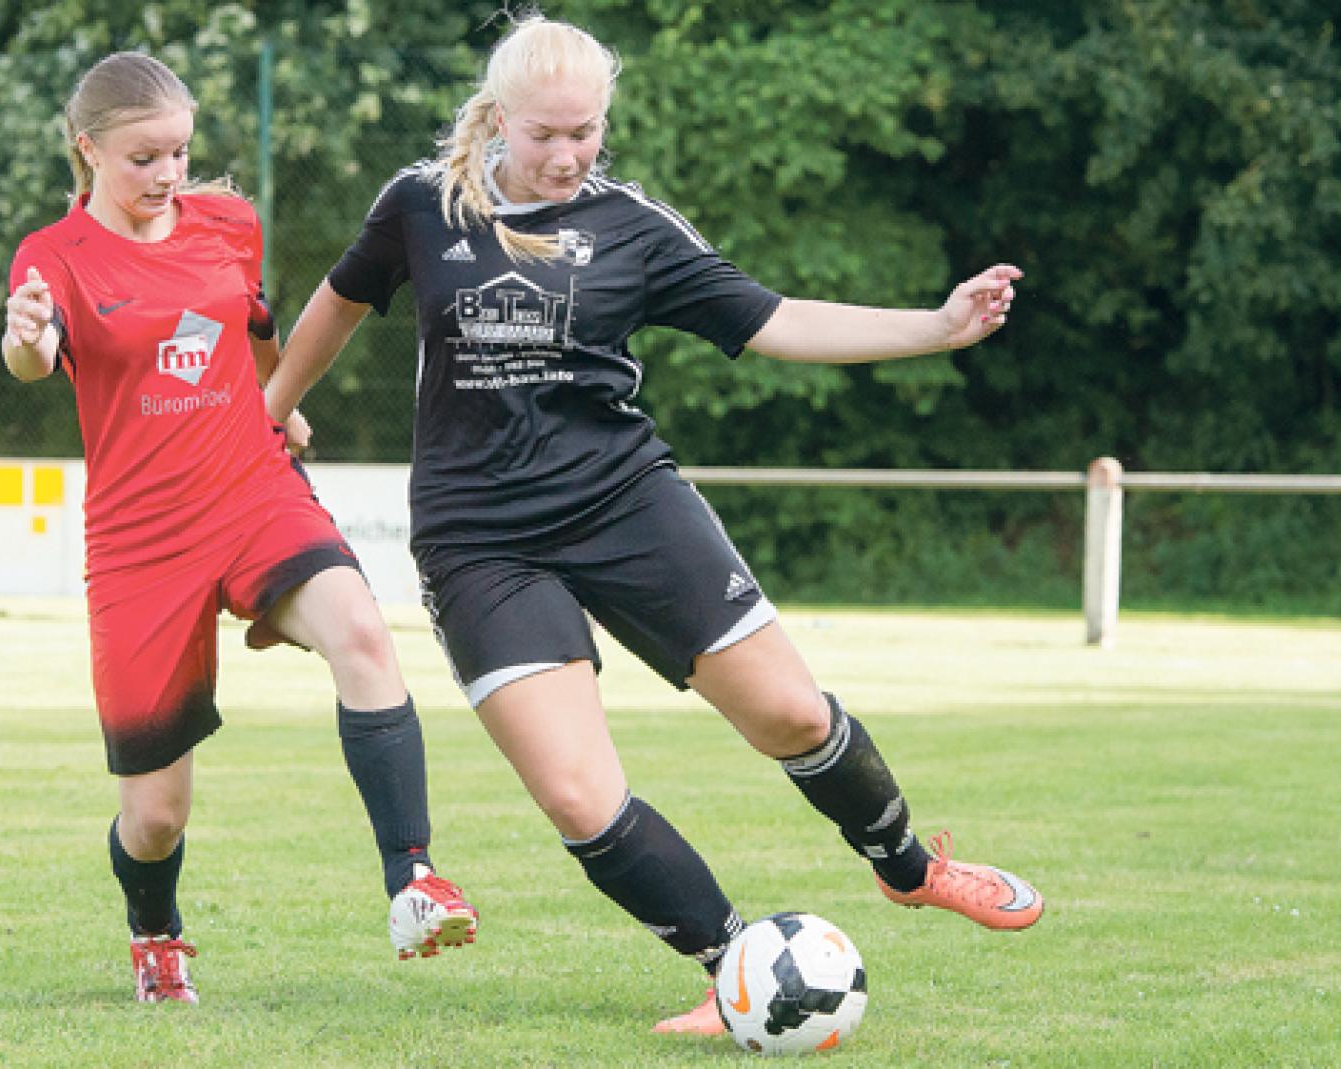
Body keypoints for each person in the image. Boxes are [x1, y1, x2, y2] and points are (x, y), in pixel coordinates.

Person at [263, 14, 1046, 1035]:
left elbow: (771, 317)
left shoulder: (630, 226)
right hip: (479, 540)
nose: (566, 154)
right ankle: (737, 970)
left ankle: (908, 866)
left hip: (624, 502)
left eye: (584, 131)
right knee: (578, 794)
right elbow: (336, 303)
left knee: (791, 715)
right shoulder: (422, 203)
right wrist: (272, 411)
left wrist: (935, 327)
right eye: (544, 133)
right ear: (499, 118)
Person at [1, 51, 477, 1005]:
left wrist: (278, 405)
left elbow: (253, 322)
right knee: (155, 817)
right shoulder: (53, 257)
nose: (168, 174)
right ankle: (155, 934)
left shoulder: (226, 223)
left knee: (362, 631)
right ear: (88, 149)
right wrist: (27, 336)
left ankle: (414, 880)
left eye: (179, 152)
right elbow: (34, 356)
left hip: (251, 490)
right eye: (143, 158)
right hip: (139, 544)